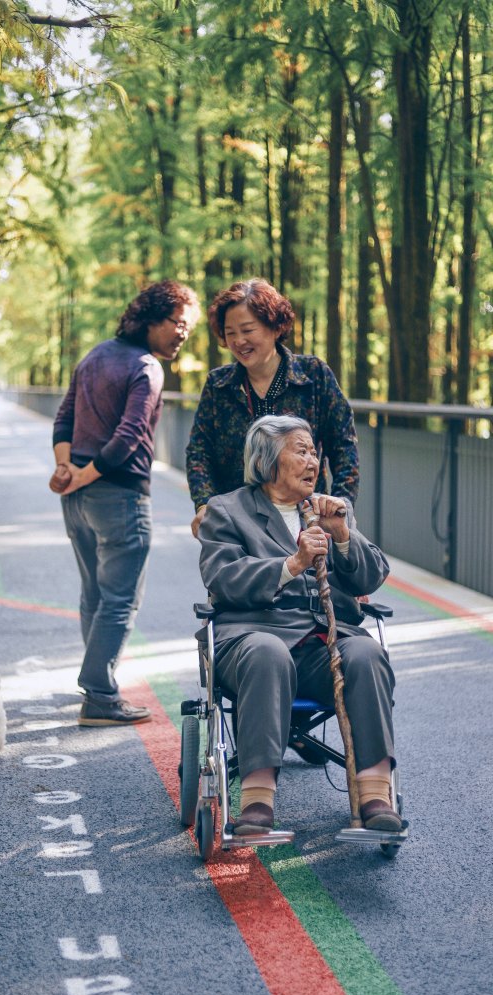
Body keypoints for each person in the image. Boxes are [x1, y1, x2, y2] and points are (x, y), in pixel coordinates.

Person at [198, 414, 402, 836]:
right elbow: (222, 578)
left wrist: (343, 534)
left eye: (314, 451)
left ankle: (376, 795)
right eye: (301, 450)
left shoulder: (326, 509)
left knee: (366, 653)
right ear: (269, 459)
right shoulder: (227, 510)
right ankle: (256, 802)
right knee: (267, 652)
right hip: (253, 640)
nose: (313, 461)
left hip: (322, 646)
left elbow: (371, 576)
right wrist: (291, 565)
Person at [52, 280, 200, 726]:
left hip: (76, 498)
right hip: (118, 495)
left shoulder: (95, 355)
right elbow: (130, 435)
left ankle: (98, 684)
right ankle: (99, 693)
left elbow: (64, 418)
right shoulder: (146, 367)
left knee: (94, 595)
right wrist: (86, 472)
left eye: (187, 329)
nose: (182, 334)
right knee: (120, 600)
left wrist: (66, 469)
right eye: (178, 324)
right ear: (153, 319)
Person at [186, 278, 359, 538]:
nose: (238, 341)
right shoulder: (218, 385)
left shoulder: (314, 376)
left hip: (305, 523)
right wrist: (204, 503)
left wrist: (340, 506)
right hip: (237, 524)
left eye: (247, 330)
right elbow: (199, 452)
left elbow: (344, 447)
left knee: (306, 578)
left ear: (275, 327)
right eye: (230, 332)